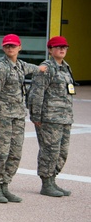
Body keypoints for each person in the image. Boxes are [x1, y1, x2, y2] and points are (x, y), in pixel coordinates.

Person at [0, 34, 45, 203]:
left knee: (15, 153)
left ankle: (6, 185)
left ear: (20, 47)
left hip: (18, 116)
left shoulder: (19, 65)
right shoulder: (0, 67)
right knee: (0, 153)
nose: (10, 48)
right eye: (7, 46)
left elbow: (32, 68)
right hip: (2, 116)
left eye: (13, 46)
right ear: (3, 48)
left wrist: (43, 69)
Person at [29, 36, 75, 198]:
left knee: (62, 152)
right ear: (50, 50)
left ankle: (53, 180)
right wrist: (36, 115)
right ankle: (46, 183)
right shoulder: (46, 68)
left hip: (65, 117)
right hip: (49, 118)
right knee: (50, 151)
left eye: (64, 47)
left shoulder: (66, 68)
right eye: (57, 47)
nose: (61, 49)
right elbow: (36, 93)